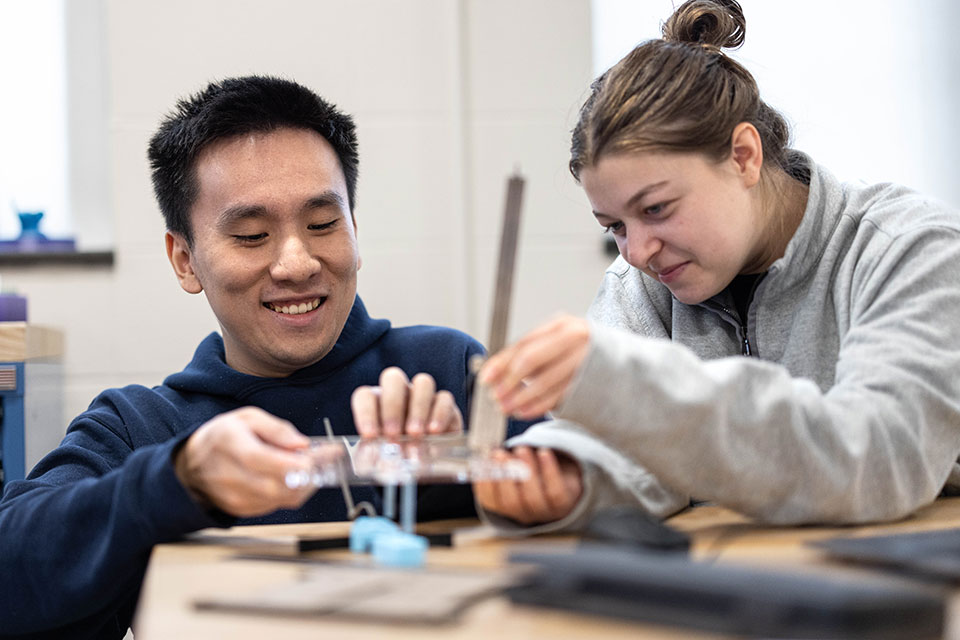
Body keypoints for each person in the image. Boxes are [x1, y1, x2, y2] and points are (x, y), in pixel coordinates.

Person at [0, 76, 491, 639]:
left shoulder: (449, 372)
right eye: (253, 235)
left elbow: (581, 523)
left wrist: (456, 473)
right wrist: (176, 483)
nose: (296, 262)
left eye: (323, 224)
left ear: (355, 228)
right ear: (185, 260)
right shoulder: (140, 429)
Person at [474, 0, 960, 532]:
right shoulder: (641, 285)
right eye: (614, 226)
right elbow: (631, 450)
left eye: (656, 209)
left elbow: (877, 460)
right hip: (741, 583)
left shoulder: (909, 249)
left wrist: (630, 384)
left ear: (744, 156)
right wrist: (564, 476)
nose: (637, 252)